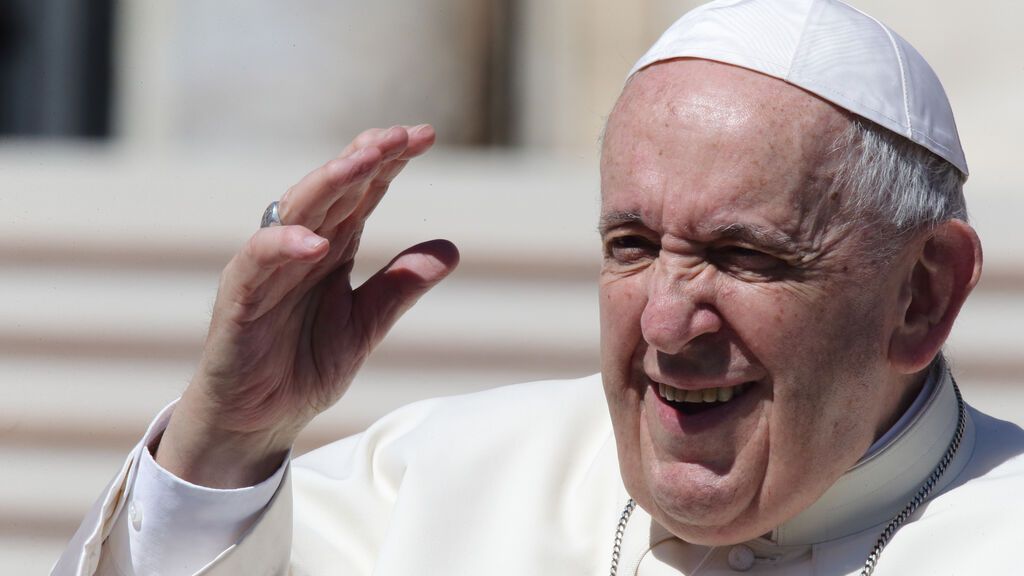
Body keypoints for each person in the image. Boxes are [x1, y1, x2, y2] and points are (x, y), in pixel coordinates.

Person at [54, 0, 1024, 574]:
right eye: (632, 244)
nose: (663, 321)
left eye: (739, 256)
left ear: (921, 295)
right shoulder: (437, 482)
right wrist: (225, 444)